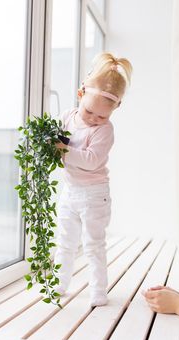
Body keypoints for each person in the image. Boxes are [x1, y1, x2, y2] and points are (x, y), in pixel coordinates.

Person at [54, 52, 132, 307]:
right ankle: (58, 283)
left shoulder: (105, 131)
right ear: (80, 94)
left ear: (115, 109)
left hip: (94, 195)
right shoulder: (67, 117)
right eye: (89, 112)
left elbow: (90, 160)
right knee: (65, 241)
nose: (94, 120)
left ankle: (98, 290)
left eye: (102, 116)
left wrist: (62, 150)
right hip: (70, 191)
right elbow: (53, 139)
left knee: (93, 245)